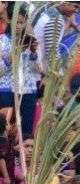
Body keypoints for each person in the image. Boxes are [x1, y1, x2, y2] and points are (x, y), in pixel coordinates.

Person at [0, 6, 41, 136]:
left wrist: (34, 53)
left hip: (28, 88)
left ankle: (25, 152)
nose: (18, 26)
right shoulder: (3, 40)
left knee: (26, 129)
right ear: (8, 21)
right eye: (15, 22)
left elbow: (38, 70)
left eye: (21, 22)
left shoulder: (31, 42)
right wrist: (17, 50)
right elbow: (3, 68)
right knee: (5, 126)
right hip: (7, 88)